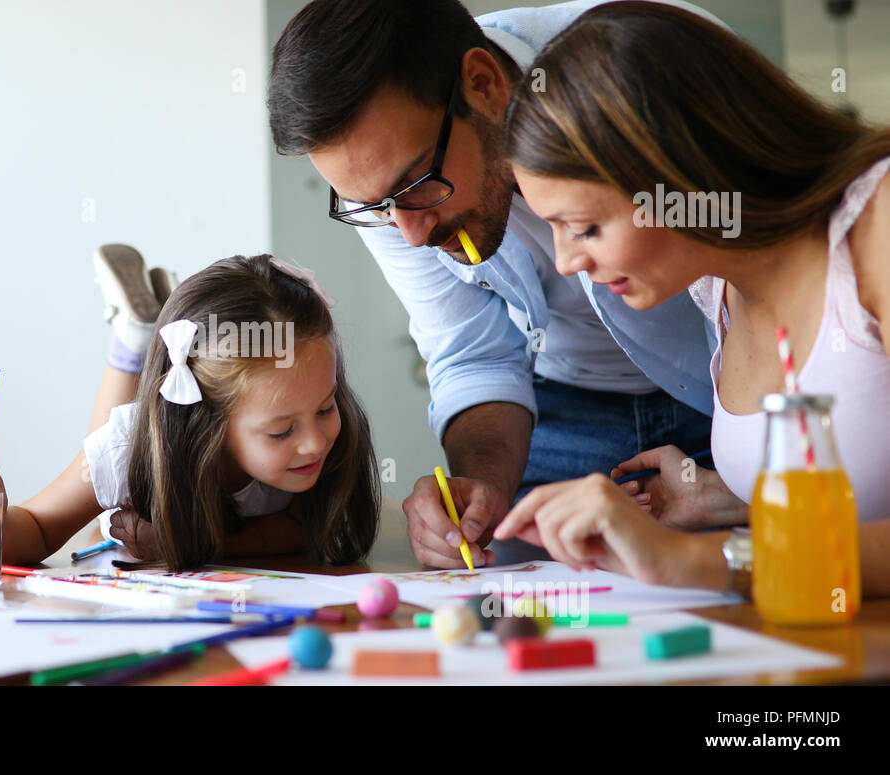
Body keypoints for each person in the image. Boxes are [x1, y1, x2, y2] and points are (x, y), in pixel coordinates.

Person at [267, 0, 726, 568]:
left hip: (729, 399)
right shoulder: (391, 195)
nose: (409, 234)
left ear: (483, 83)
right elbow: (469, 350)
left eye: (417, 184)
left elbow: (766, 285)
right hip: (558, 410)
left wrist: (745, 477)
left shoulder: (660, 64)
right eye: (375, 208)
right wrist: (480, 487)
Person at [495, 1, 890, 597]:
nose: (568, 261)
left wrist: (703, 561)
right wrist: (720, 499)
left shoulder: (875, 228)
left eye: (584, 226)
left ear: (678, 175)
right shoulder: (719, 288)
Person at [0, 253, 381, 571]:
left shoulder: (324, 436)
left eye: (326, 406)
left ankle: (140, 337)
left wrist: (180, 543)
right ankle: (132, 341)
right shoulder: (126, 448)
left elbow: (328, 530)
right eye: (282, 431)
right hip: (144, 450)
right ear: (207, 423)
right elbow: (35, 528)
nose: (316, 441)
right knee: (115, 442)